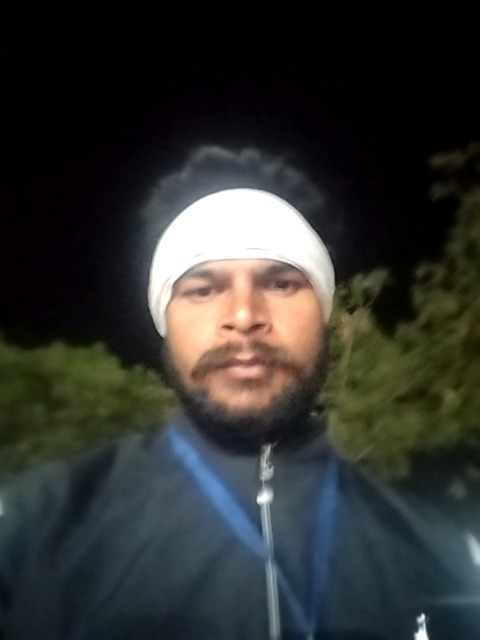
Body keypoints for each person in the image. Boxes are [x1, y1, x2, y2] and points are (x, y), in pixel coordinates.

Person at [0, 148, 479, 640]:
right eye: (203, 289)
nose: (245, 316)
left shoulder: (448, 558)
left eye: (281, 283)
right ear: (165, 321)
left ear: (325, 313)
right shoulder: (30, 530)